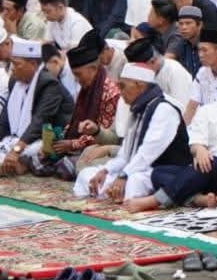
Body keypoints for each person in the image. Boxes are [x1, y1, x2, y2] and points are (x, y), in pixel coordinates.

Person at [133, 68, 217, 211]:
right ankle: (198, 199)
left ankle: (157, 200)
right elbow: (196, 141)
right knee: (159, 173)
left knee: (208, 165)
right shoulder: (207, 111)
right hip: (209, 173)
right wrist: (199, 149)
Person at [73, 63, 186, 203]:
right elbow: (126, 155)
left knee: (134, 182)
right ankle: (109, 198)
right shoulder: (137, 110)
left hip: (163, 172)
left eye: (122, 86)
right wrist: (106, 170)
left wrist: (124, 176)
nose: (120, 92)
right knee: (87, 174)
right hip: (137, 169)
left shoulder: (164, 109)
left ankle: (126, 204)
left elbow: (147, 154)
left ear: (139, 85)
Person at [0, 37, 73, 175]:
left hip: (46, 137)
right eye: (12, 64)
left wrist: (16, 151)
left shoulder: (49, 84)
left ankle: (15, 162)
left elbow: (39, 122)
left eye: (16, 64)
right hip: (19, 139)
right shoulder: (14, 82)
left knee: (38, 151)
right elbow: (3, 120)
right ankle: (12, 163)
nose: (13, 69)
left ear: (32, 64)